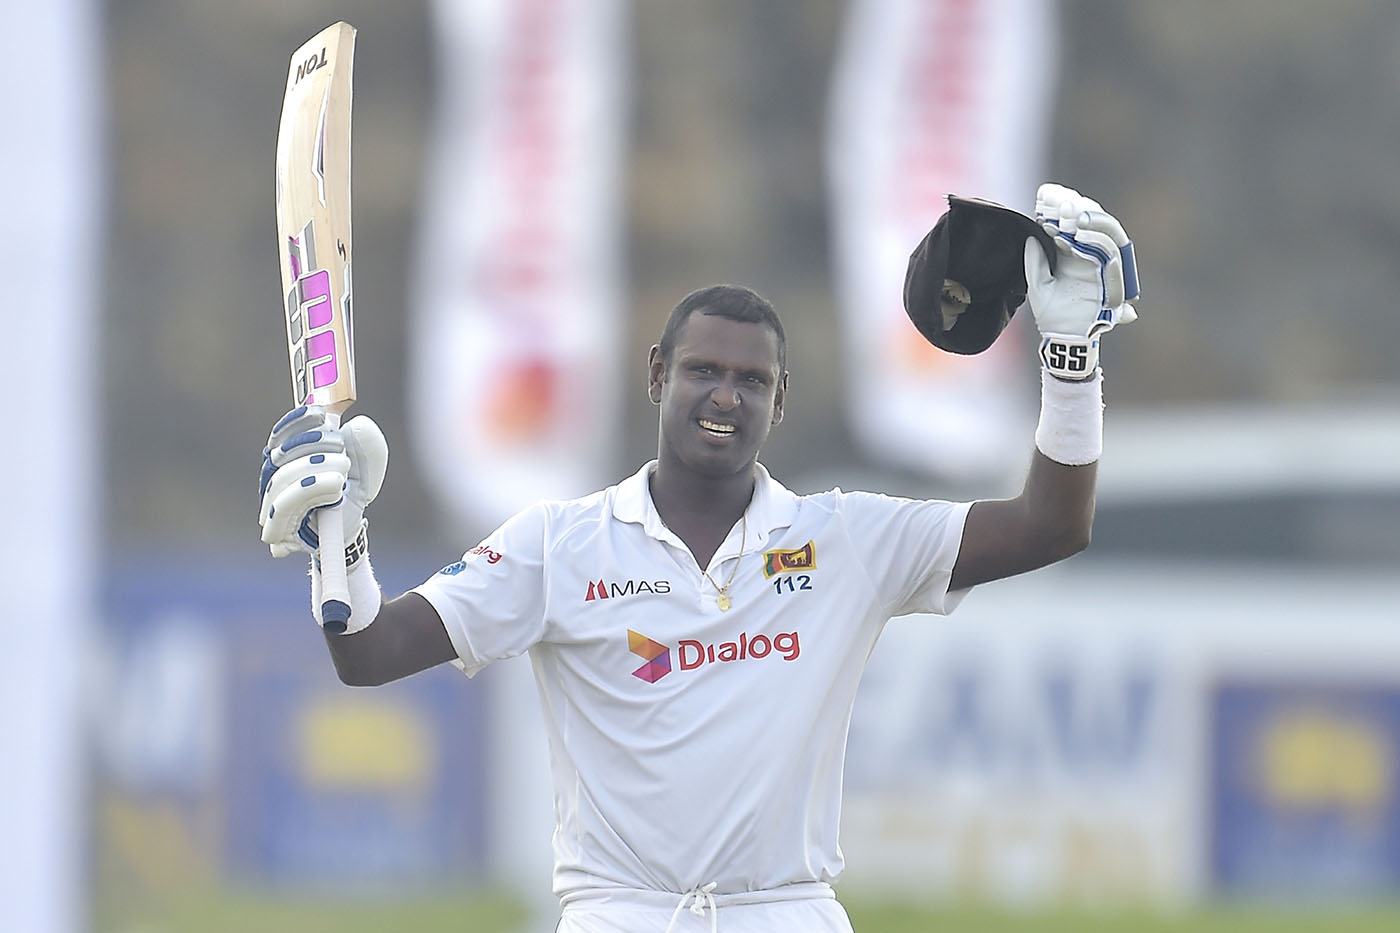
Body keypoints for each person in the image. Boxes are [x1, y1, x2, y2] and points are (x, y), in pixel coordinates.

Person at [257, 183, 1138, 932]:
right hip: (619, 913)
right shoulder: (558, 544)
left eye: (753, 381)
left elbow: (1049, 525)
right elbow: (368, 651)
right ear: (657, 376)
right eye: (703, 371)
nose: (726, 396)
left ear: (779, 401)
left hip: (786, 911)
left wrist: (1070, 361)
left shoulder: (846, 540)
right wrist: (341, 540)